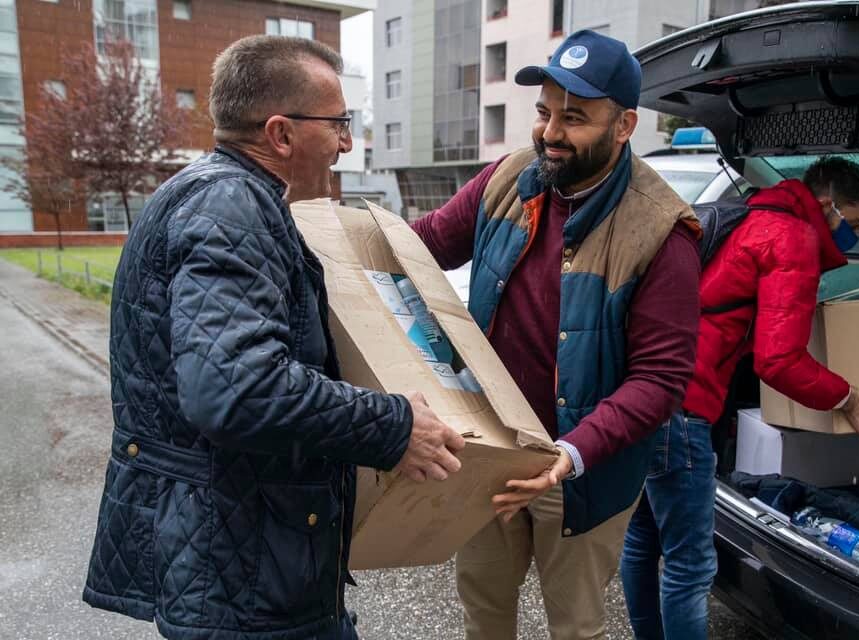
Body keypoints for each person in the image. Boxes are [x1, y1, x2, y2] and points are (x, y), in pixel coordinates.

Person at [82, 35, 465, 640]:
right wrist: (393, 427)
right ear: (281, 134)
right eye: (337, 124)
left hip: (240, 556)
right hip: (244, 580)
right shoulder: (231, 207)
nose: (345, 143)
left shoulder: (210, 193)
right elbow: (234, 388)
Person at [411, 30, 702, 640]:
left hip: (584, 471)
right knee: (483, 613)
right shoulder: (509, 178)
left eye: (575, 118)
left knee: (575, 627)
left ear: (624, 126)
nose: (549, 132)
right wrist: (331, 235)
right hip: (491, 449)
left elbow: (661, 382)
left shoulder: (660, 232)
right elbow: (424, 243)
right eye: (544, 112)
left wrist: (569, 457)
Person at [620, 156, 859, 640]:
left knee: (642, 538)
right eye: (854, 224)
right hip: (686, 402)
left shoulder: (751, 215)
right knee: (689, 565)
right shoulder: (793, 238)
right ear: (829, 204)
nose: (853, 237)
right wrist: (851, 399)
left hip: (645, 388)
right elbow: (779, 361)